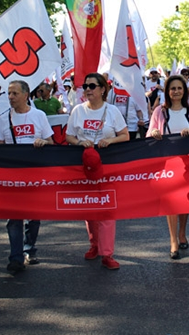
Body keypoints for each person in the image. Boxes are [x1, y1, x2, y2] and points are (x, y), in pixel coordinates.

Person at [66, 73, 129, 269]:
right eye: (85, 86)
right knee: (90, 209)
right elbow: (68, 137)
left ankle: (107, 254)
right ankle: (94, 244)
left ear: (103, 89)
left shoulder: (112, 111)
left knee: (107, 209)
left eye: (92, 86)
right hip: (85, 166)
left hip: (108, 165)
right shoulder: (77, 111)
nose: (87, 90)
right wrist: (79, 142)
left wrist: (110, 140)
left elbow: (125, 136)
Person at [0, 80, 53, 274]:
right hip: (13, 176)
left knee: (34, 217)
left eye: (14, 93)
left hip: (35, 174)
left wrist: (42, 142)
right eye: (9, 94)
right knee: (14, 217)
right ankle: (16, 257)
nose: (10, 97)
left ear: (26, 95)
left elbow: (51, 142)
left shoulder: (39, 116)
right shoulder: (4, 119)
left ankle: (29, 247)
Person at [147, 75, 189, 259]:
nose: (176, 91)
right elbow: (149, 134)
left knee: (185, 201)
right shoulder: (159, 111)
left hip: (187, 163)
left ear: (185, 90)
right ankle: (173, 240)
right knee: (171, 202)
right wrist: (154, 132)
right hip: (167, 163)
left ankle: (182, 233)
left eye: (180, 88)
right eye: (173, 88)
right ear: (167, 91)